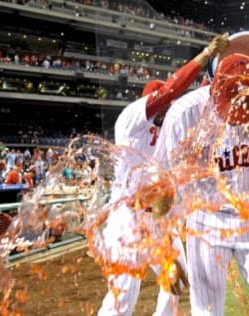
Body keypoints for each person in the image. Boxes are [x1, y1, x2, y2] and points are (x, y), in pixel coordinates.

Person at [156, 47, 249, 315]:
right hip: (206, 219)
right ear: (215, 89)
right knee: (207, 311)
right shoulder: (185, 113)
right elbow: (161, 184)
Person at [97, 33, 230, 316]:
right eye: (164, 104)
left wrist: (218, 71)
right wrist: (205, 54)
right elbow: (172, 90)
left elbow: (199, 97)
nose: (170, 107)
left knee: (183, 280)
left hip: (157, 215)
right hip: (128, 220)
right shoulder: (131, 118)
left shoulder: (167, 128)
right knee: (122, 299)